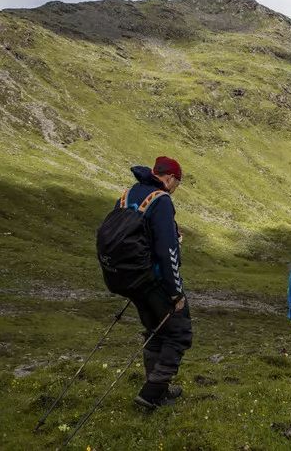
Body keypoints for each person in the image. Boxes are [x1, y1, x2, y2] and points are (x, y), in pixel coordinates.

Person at [118, 156, 193, 410]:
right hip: (155, 279)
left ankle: (156, 387)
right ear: (170, 178)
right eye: (177, 184)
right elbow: (166, 250)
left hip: (130, 277)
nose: (175, 189)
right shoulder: (161, 201)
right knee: (180, 331)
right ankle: (152, 394)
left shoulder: (129, 195)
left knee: (155, 331)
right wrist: (175, 292)